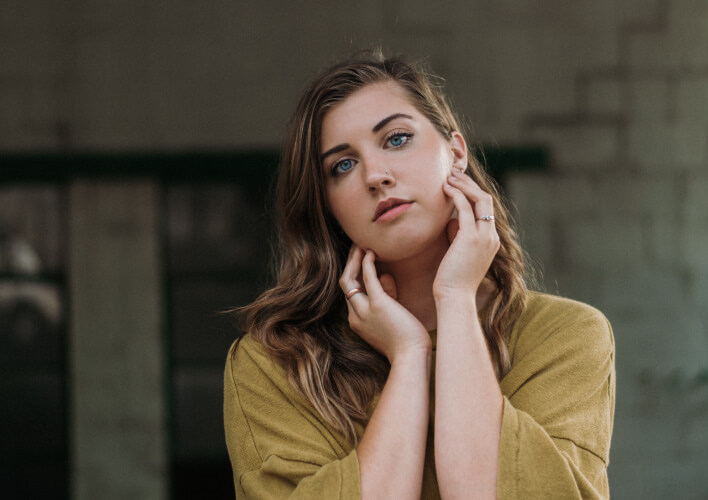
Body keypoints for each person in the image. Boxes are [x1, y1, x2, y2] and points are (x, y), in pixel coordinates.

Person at [224, 52, 615, 499]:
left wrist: (455, 297)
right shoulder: (275, 362)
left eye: (396, 139)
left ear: (457, 154)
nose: (375, 175)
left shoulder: (566, 338)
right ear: (327, 206)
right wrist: (409, 355)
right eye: (342, 165)